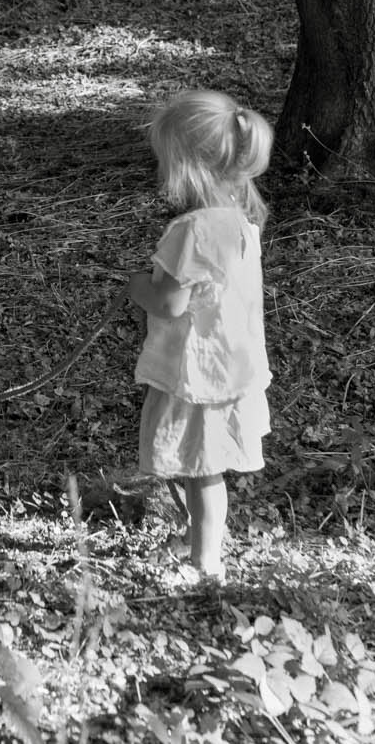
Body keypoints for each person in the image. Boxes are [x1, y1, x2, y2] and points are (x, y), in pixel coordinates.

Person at [127, 89, 274, 582]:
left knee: (203, 468)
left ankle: (205, 562)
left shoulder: (191, 230)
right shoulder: (241, 223)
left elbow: (169, 302)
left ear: (188, 166)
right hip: (231, 365)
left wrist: (134, 287)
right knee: (196, 465)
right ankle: (196, 538)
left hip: (199, 374)